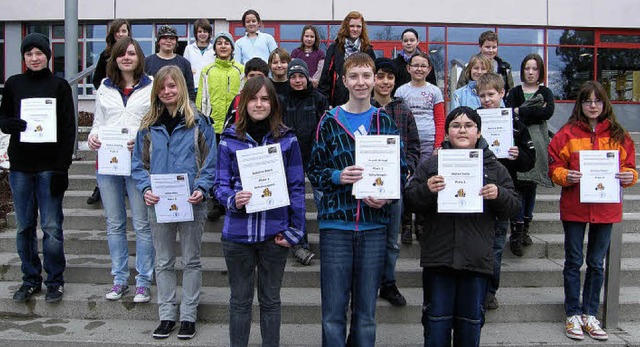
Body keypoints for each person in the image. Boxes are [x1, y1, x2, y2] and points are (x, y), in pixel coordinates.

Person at [308, 52, 406, 347]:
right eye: (354, 76)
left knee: (366, 314)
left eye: (366, 76)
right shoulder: (329, 120)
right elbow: (314, 169)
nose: (361, 82)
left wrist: (387, 198)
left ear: (375, 79)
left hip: (374, 227)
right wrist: (339, 176)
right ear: (345, 80)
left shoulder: (384, 121)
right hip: (336, 225)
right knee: (333, 313)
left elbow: (399, 170)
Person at [404, 106, 520, 347]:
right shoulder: (431, 165)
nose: (462, 130)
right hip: (439, 259)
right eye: (456, 126)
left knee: (470, 328)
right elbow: (411, 200)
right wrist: (427, 189)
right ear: (447, 133)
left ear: (478, 132)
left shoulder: (495, 167)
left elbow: (514, 207)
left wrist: (498, 194)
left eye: (468, 126)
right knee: (436, 326)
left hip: (476, 261)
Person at [215, 76, 305, 347]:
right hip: (237, 236)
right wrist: (233, 199)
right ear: (244, 103)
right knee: (239, 302)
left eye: (265, 99)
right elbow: (219, 185)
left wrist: (295, 231)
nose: (259, 104)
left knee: (270, 301)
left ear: (273, 103)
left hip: (274, 234)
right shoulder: (229, 139)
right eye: (253, 98)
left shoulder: (287, 140)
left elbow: (297, 188)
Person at [132, 66, 217, 340]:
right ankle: (167, 314)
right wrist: (145, 188)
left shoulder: (199, 122)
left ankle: (188, 315)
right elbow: (138, 164)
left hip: (192, 201)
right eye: (162, 87)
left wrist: (202, 188)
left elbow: (210, 160)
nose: (167, 91)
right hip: (159, 202)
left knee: (191, 260)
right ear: (157, 90)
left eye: (172, 86)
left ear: (181, 87)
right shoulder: (147, 125)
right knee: (164, 260)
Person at [548, 81, 637, 341]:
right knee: (574, 262)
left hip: (606, 208)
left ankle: (590, 314)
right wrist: (567, 175)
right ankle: (572, 313)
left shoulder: (620, 135)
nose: (593, 106)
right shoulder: (567, 133)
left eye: (597, 101)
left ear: (605, 103)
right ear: (581, 104)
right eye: (588, 101)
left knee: (597, 264)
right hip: (575, 207)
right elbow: (553, 167)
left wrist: (627, 176)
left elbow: (631, 167)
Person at [0, 33, 75, 303]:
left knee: (52, 226)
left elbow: (68, 128)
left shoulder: (59, 85)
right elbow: (4, 115)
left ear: (47, 56)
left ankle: (55, 280)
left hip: (49, 167)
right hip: (21, 166)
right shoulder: (13, 84)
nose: (34, 58)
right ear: (24, 57)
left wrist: (62, 169)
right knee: (24, 227)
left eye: (39, 53)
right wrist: (7, 124)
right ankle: (31, 278)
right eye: (29, 53)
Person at [87, 37, 155, 303]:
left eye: (131, 53)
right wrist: (92, 137)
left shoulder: (150, 86)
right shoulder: (104, 86)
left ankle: (143, 281)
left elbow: (153, 123)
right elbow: (98, 121)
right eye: (121, 54)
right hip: (108, 163)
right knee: (114, 224)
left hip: (137, 163)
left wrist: (140, 139)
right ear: (114, 58)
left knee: (142, 224)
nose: (126, 58)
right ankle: (119, 279)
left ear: (139, 57)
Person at [476, 72, 535, 309]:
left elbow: (531, 160)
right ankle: (475, 290)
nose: (487, 99)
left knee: (496, 249)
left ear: (502, 93)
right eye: (482, 95)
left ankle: (490, 292)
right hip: (476, 194)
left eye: (491, 94)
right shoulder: (472, 120)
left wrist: (519, 155)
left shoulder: (516, 125)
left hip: (503, 195)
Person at [371, 57, 420, 306]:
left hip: (395, 187)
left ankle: (388, 284)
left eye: (389, 77)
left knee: (392, 240)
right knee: (368, 239)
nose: (385, 82)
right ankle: (367, 284)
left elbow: (414, 146)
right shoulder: (362, 109)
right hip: (366, 188)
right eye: (380, 76)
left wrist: (409, 168)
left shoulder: (403, 109)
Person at [505, 53, 555, 255]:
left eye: (535, 68)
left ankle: (526, 226)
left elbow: (547, 112)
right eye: (527, 68)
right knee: (517, 185)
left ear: (540, 71)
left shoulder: (546, 91)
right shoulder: (515, 91)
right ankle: (515, 229)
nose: (531, 72)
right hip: (518, 142)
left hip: (538, 142)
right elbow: (508, 112)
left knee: (531, 186)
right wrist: (525, 111)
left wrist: (521, 111)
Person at [281, 58, 329, 265]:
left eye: (301, 76)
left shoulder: (318, 99)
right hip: (291, 159)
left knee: (323, 201)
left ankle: (330, 242)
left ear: (307, 77)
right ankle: (300, 245)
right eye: (293, 77)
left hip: (315, 157)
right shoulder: (282, 99)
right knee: (296, 203)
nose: (298, 80)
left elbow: (326, 128)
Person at [395, 51, 444, 243]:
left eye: (423, 65)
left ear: (429, 69)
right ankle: (406, 224)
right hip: (407, 145)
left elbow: (440, 120)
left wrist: (438, 144)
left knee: (425, 184)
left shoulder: (434, 91)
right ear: (408, 68)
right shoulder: (401, 91)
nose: (419, 69)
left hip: (428, 143)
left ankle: (421, 223)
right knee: (408, 183)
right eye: (415, 65)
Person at [196, 31, 244, 222]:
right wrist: (202, 120)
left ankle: (232, 200)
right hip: (213, 126)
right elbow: (202, 98)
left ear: (232, 48)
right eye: (219, 43)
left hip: (235, 127)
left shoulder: (240, 70)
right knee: (215, 166)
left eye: (227, 43)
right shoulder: (207, 70)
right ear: (214, 48)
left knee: (234, 165)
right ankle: (216, 203)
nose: (223, 46)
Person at [88, 18, 132, 205]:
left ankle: (128, 185)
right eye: (118, 31)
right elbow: (96, 79)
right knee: (107, 148)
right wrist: (108, 90)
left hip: (130, 104)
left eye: (125, 31)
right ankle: (100, 187)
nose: (122, 34)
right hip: (110, 106)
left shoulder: (134, 53)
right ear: (113, 34)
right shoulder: (105, 55)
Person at [318, 11, 377, 107]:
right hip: (338, 101)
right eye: (352, 26)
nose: (355, 29)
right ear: (346, 27)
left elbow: (373, 76)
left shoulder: (367, 50)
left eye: (358, 26)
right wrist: (326, 103)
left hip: (363, 101)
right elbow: (326, 77)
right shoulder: (334, 48)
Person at [144, 25, 195, 101]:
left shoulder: (184, 63)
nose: (168, 41)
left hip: (178, 108)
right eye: (164, 38)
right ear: (158, 41)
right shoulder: (147, 62)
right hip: (152, 106)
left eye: (172, 38)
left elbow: (190, 90)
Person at [223, 57, 270, 129]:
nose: (255, 79)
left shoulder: (271, 99)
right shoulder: (238, 99)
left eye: (259, 76)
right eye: (252, 75)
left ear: (266, 78)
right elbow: (227, 127)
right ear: (245, 78)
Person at [393, 28, 436, 93]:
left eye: (412, 40)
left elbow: (433, 86)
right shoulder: (394, 64)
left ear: (417, 42)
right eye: (405, 40)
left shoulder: (426, 63)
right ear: (402, 42)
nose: (409, 43)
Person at [182, 18, 216, 93]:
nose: (202, 34)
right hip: (193, 87)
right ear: (195, 33)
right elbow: (185, 69)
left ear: (209, 33)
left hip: (210, 88)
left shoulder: (214, 49)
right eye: (199, 31)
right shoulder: (189, 49)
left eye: (205, 31)